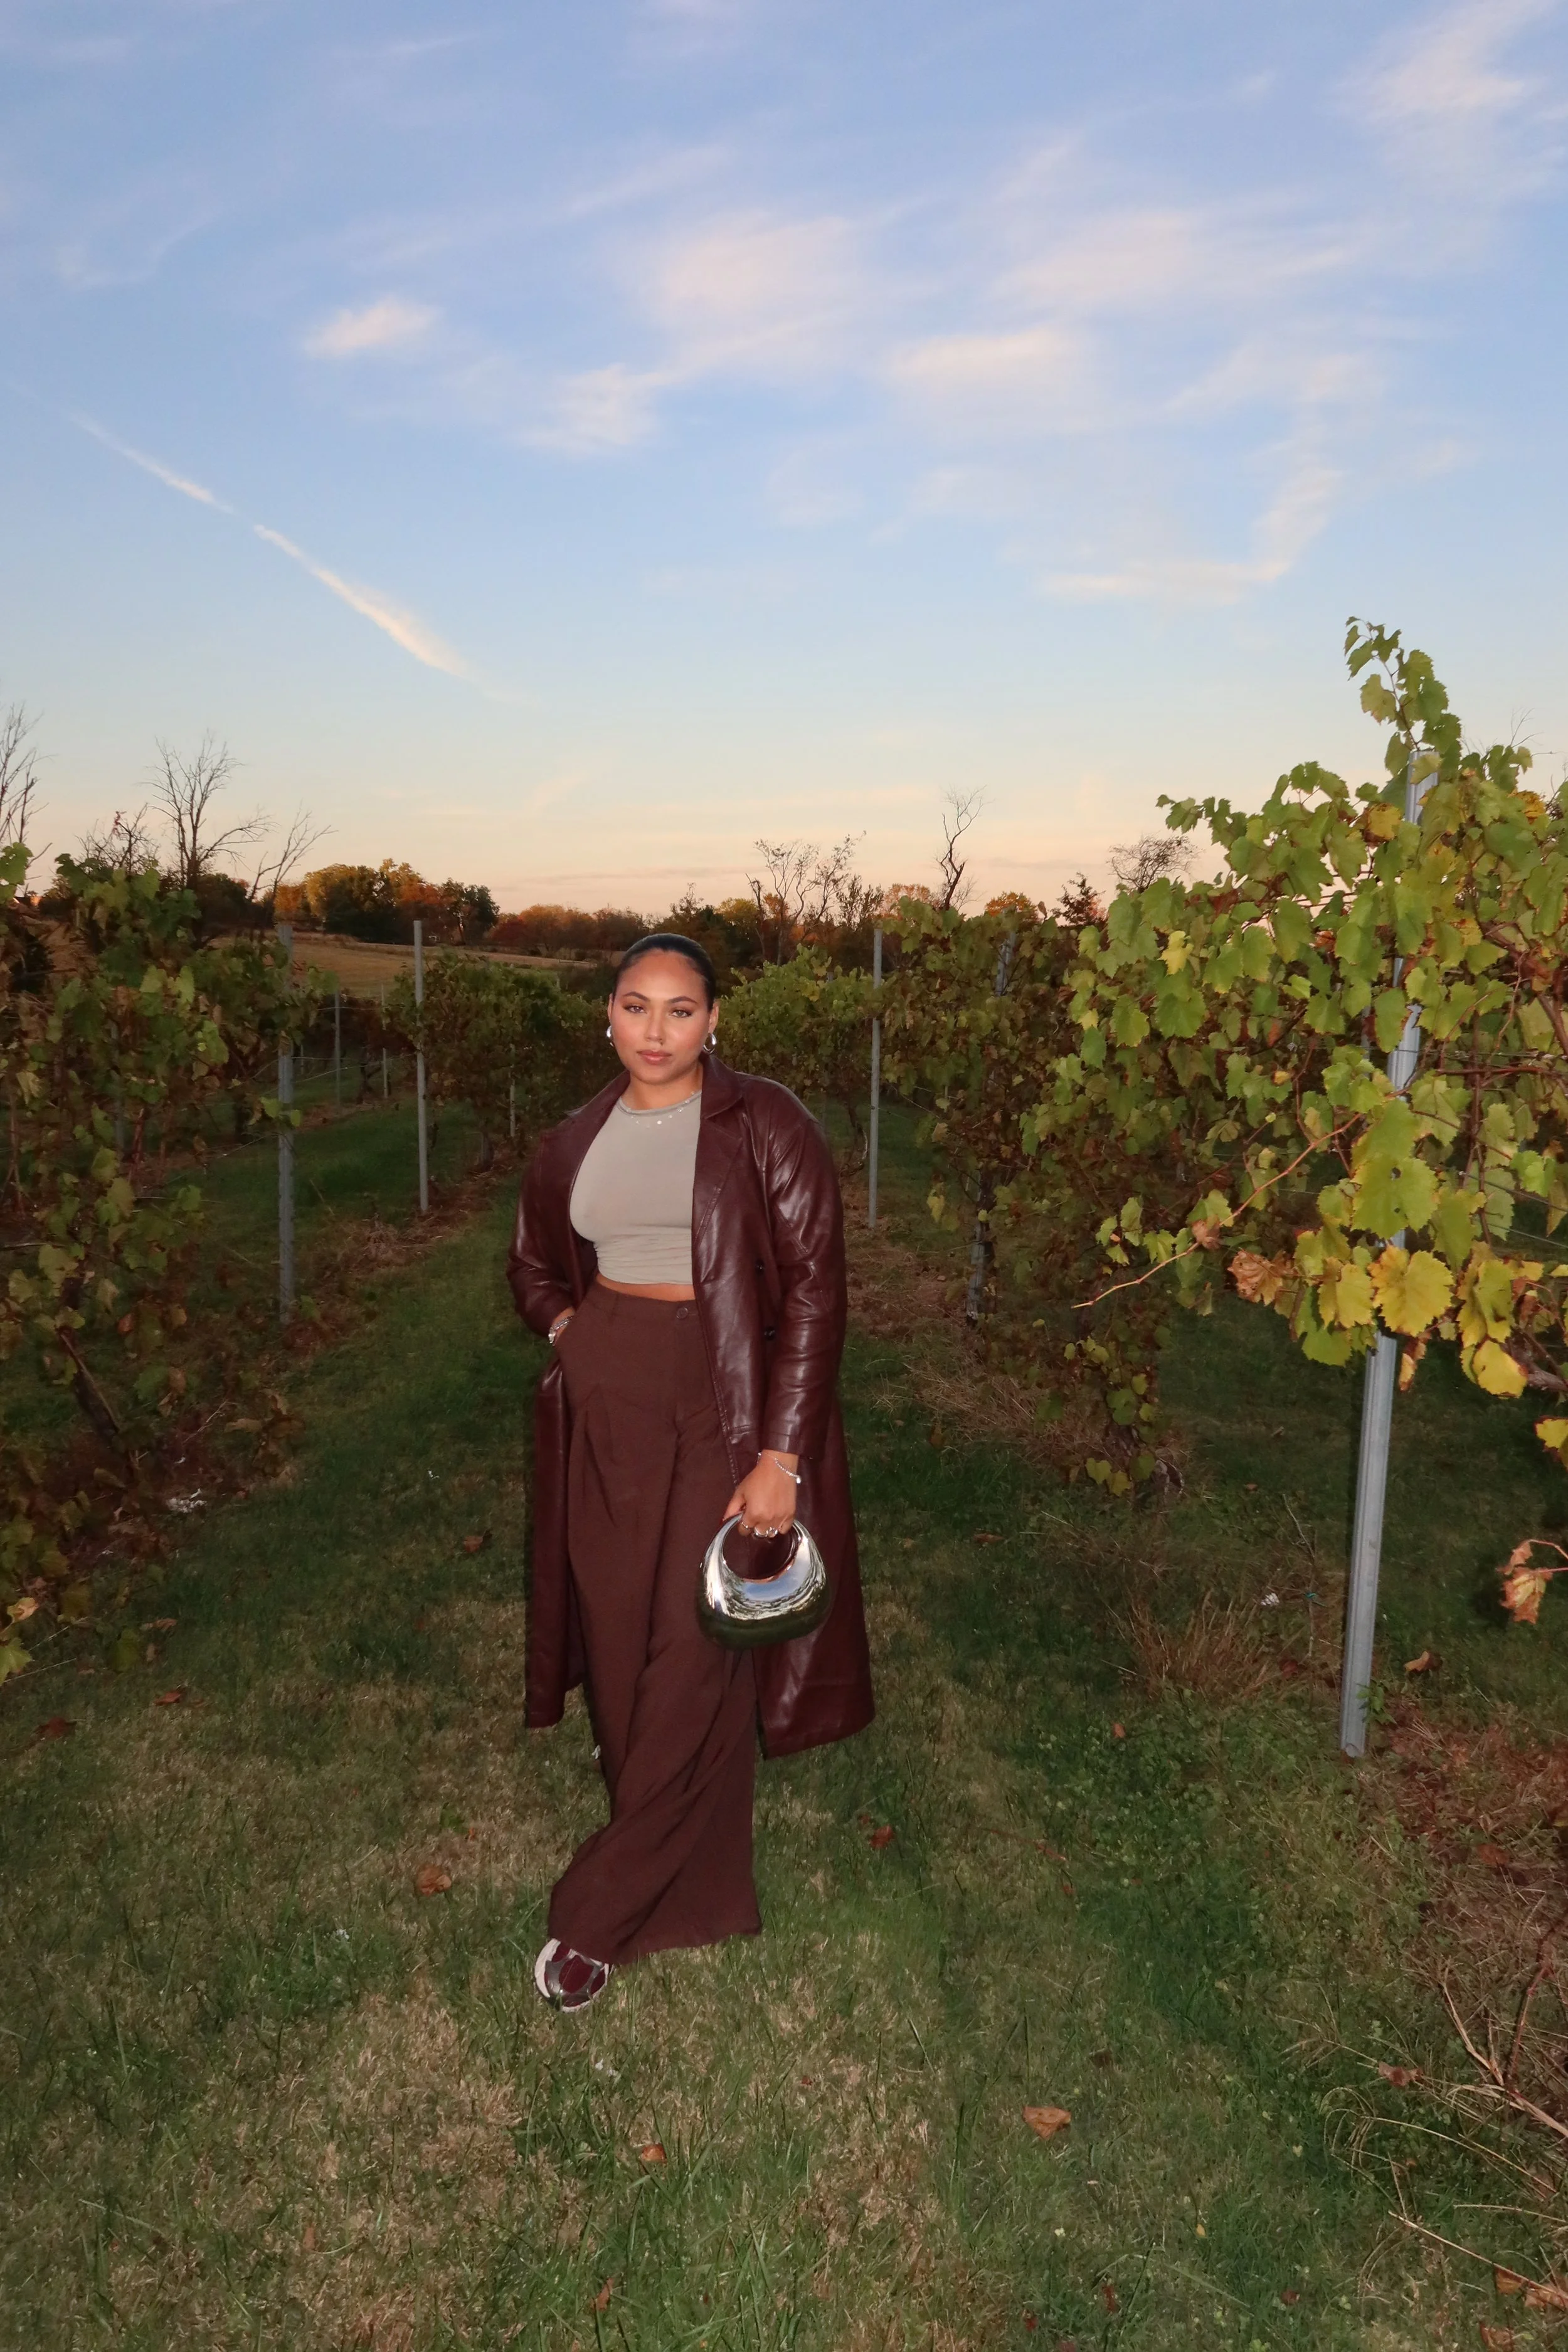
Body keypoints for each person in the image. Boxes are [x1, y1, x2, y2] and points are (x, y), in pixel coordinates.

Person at [507, 932, 874, 2011]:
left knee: (690, 1639)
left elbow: (814, 1289)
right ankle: (702, 1882)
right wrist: (570, 1325)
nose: (656, 1031)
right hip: (607, 1389)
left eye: (680, 1010)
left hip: (724, 1389)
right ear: (607, 1016)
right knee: (621, 1632)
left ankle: (599, 1915)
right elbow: (530, 1258)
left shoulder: (768, 1123)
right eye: (635, 1006)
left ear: (716, 1021)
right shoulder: (576, 1138)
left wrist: (780, 1453)